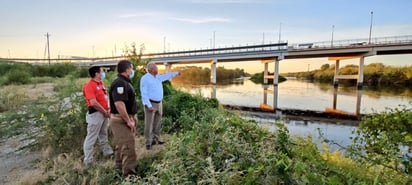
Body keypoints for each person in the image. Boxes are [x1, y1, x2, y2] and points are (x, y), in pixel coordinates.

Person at [108, 60, 138, 176]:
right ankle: (129, 176)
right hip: (121, 120)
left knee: (121, 146)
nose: (132, 70)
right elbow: (119, 104)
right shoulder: (120, 83)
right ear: (127, 70)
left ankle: (118, 169)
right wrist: (128, 121)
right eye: (131, 68)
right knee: (128, 148)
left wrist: (133, 117)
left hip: (125, 118)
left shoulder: (125, 82)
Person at [140, 62, 179, 150]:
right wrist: (149, 105)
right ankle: (148, 142)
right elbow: (144, 93)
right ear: (151, 69)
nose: (157, 69)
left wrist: (176, 73)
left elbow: (166, 76)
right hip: (150, 103)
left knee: (157, 122)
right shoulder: (145, 78)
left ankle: (156, 139)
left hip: (159, 103)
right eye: (156, 68)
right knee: (149, 124)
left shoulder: (157, 76)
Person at [82, 66, 113, 165]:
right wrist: (104, 111)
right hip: (96, 113)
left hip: (104, 113)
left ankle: (107, 152)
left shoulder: (100, 84)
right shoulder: (89, 86)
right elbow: (93, 102)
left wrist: (108, 110)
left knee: (103, 134)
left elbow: (104, 98)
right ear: (96, 73)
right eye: (102, 71)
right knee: (91, 136)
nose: (103, 73)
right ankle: (88, 160)